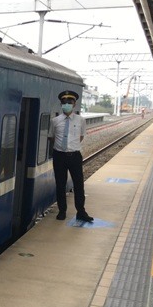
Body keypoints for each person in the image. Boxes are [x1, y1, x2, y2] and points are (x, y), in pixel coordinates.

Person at [49, 90, 94, 222]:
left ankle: (81, 212)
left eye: (70, 102)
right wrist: (61, 148)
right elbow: (51, 137)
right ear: (61, 104)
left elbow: (80, 137)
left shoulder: (81, 120)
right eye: (64, 102)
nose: (67, 104)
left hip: (74, 156)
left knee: (79, 184)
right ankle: (62, 211)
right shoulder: (55, 121)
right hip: (59, 156)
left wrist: (70, 148)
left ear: (74, 104)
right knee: (60, 184)